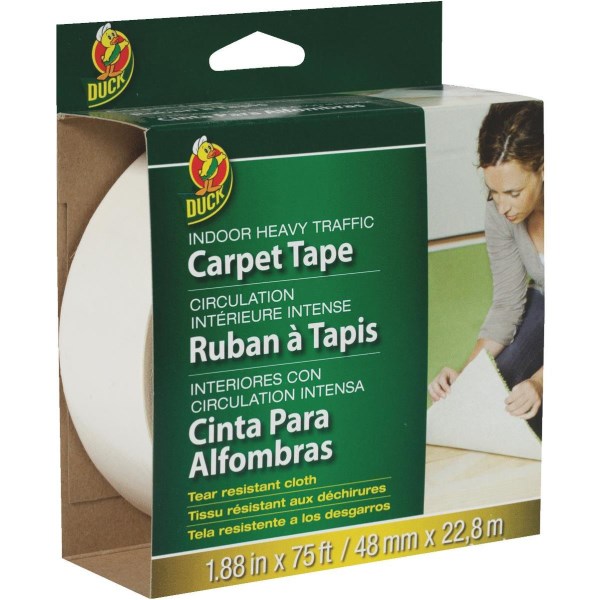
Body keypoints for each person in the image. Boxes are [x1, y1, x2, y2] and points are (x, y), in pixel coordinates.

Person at [428, 101, 544, 438]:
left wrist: (540, 382)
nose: (502, 206)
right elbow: (507, 305)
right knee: (499, 389)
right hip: (546, 302)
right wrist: (466, 379)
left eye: (513, 192)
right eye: (493, 191)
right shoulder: (500, 213)